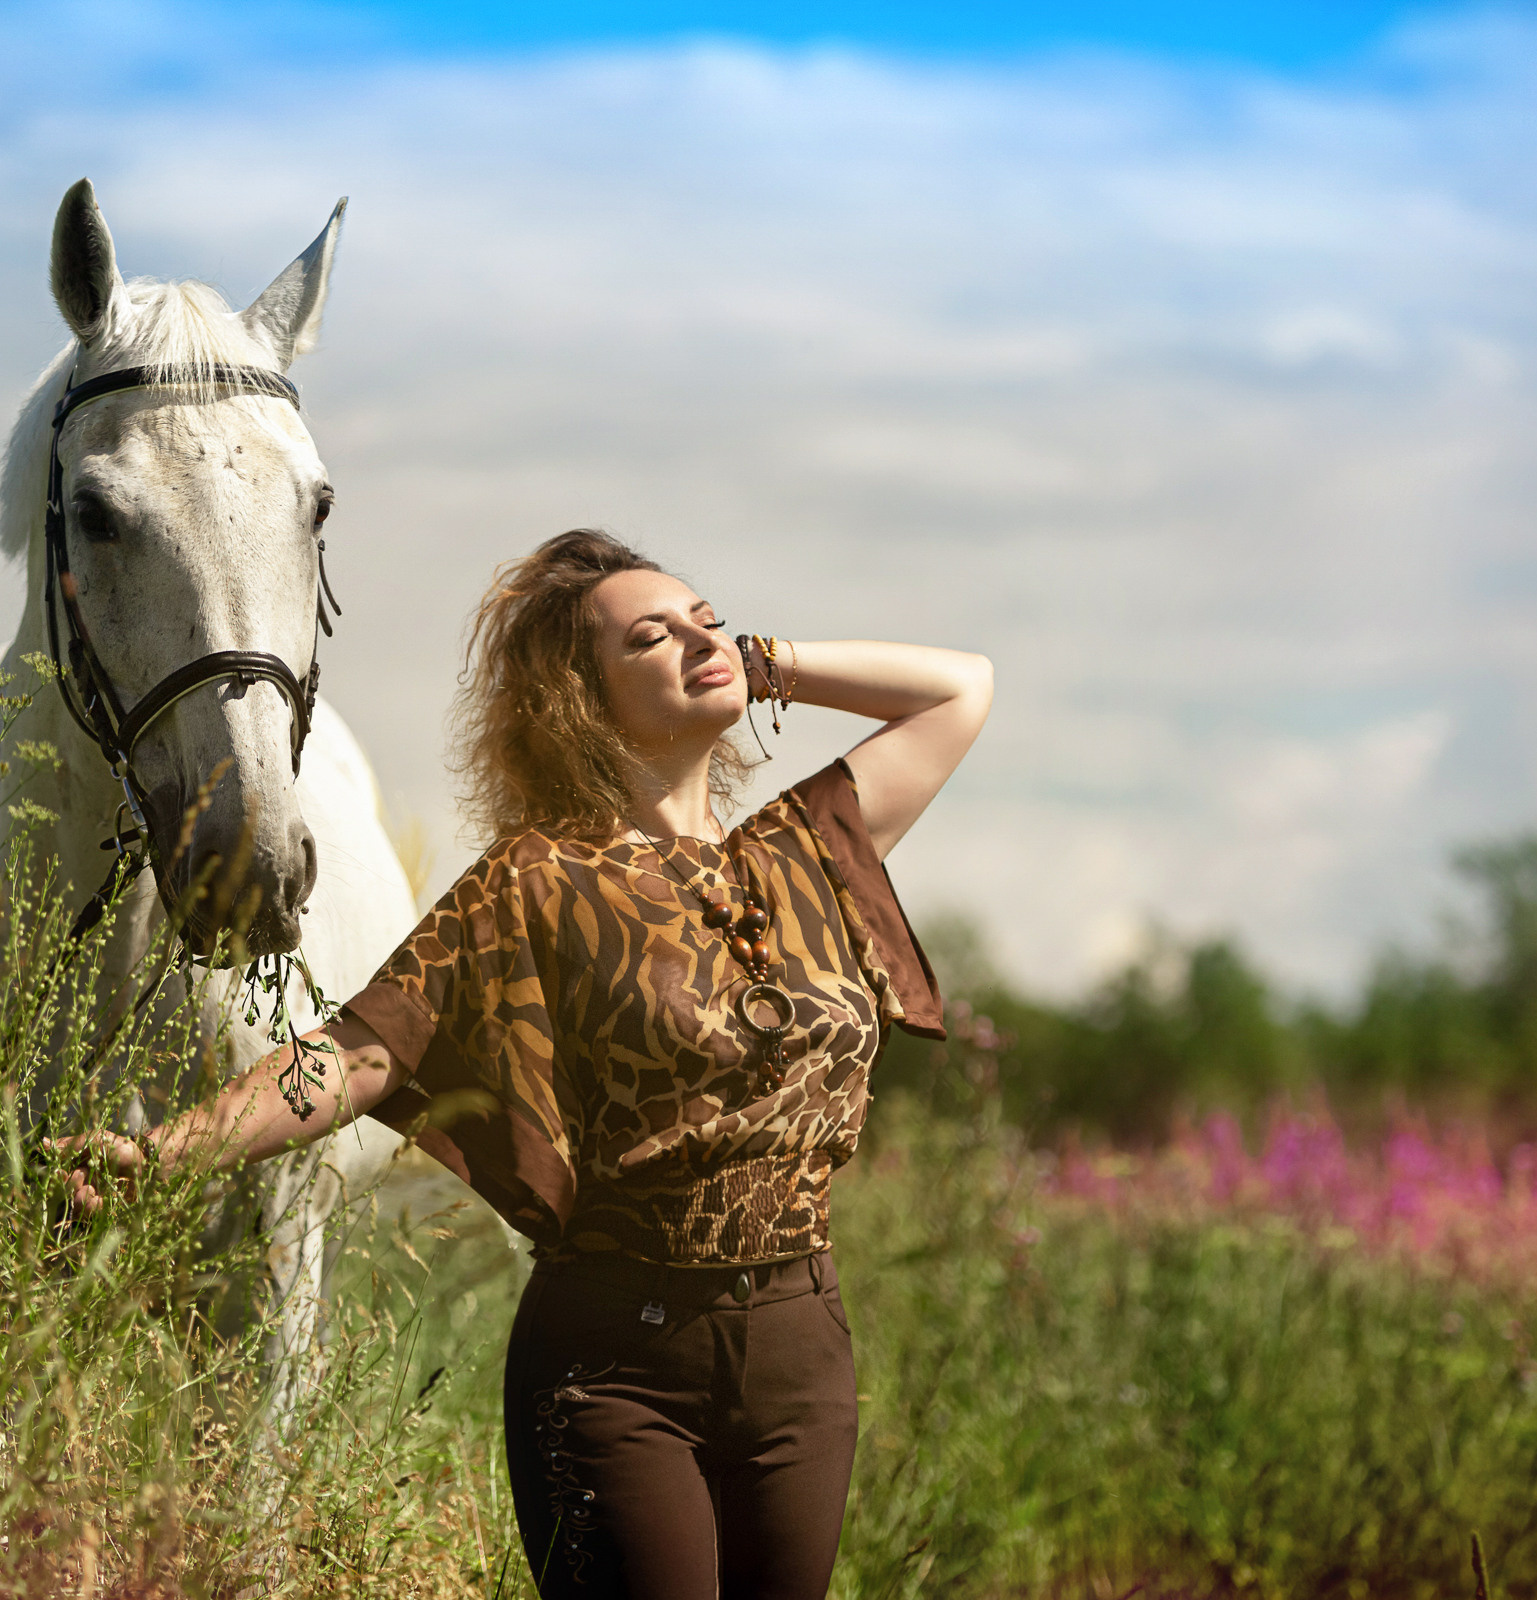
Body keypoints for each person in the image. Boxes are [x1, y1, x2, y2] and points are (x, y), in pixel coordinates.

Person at [57, 528, 992, 1597]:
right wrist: (165, 1153)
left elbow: (961, 689)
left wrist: (762, 660)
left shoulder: (800, 852)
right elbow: (361, 1052)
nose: (699, 639)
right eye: (652, 636)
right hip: (619, 1363)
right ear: (577, 697)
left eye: (707, 619)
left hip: (799, 1344)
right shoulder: (535, 880)